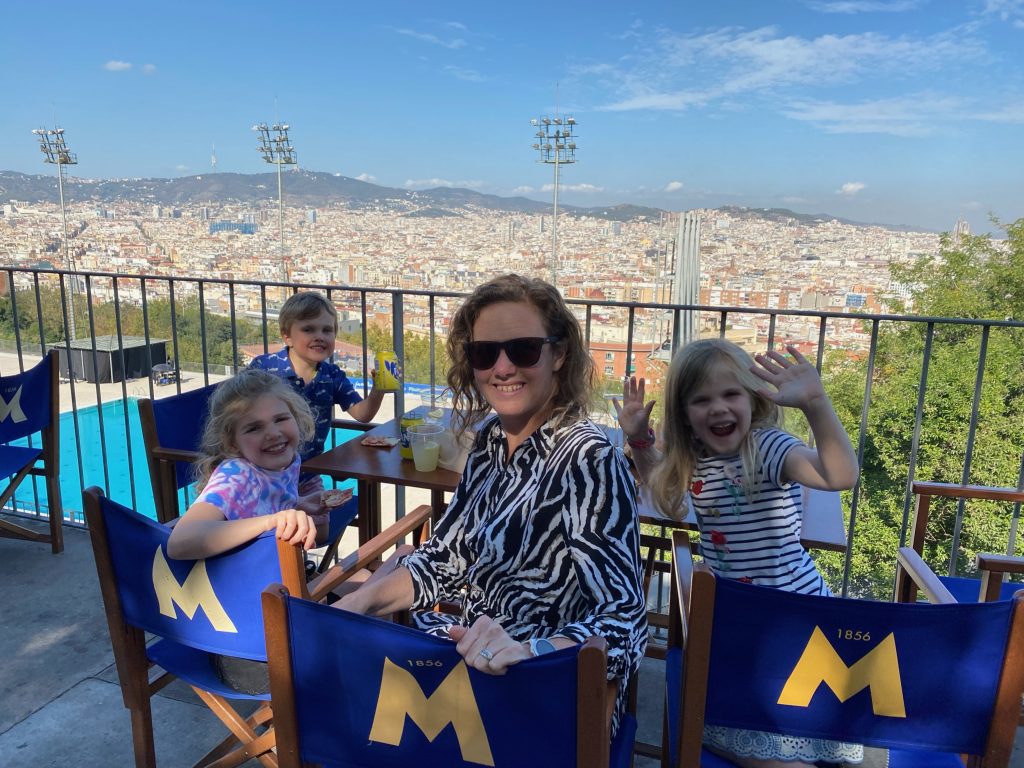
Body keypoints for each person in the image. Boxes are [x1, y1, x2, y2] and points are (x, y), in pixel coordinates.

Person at [336, 273, 647, 736]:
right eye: (485, 353)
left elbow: (625, 622)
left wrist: (531, 652)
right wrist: (359, 603)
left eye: (523, 350)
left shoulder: (588, 461)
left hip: (540, 696)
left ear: (559, 354)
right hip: (464, 668)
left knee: (347, 719)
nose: (502, 368)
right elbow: (446, 558)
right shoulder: (488, 441)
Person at [615, 339, 862, 768]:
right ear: (685, 415)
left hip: (798, 622)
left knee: (792, 738)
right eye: (701, 399)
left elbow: (838, 475)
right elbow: (664, 492)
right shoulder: (692, 460)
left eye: (730, 394)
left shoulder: (766, 449)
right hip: (742, 628)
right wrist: (638, 439)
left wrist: (816, 403)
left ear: (753, 399)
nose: (718, 408)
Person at [167, 369, 328, 560]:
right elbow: (179, 542)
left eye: (281, 419)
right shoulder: (237, 474)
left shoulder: (284, 463)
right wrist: (271, 522)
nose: (273, 433)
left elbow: (262, 501)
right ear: (232, 442)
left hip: (275, 576)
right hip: (245, 586)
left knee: (369, 579)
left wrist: (299, 503)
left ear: (296, 418)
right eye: (254, 428)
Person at [249, 291, 387, 494]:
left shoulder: (331, 375)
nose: (319, 337)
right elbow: (237, 414)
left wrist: (379, 388)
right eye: (308, 329)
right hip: (262, 476)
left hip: (307, 475)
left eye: (327, 330)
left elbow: (363, 415)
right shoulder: (265, 368)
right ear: (287, 336)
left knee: (321, 519)